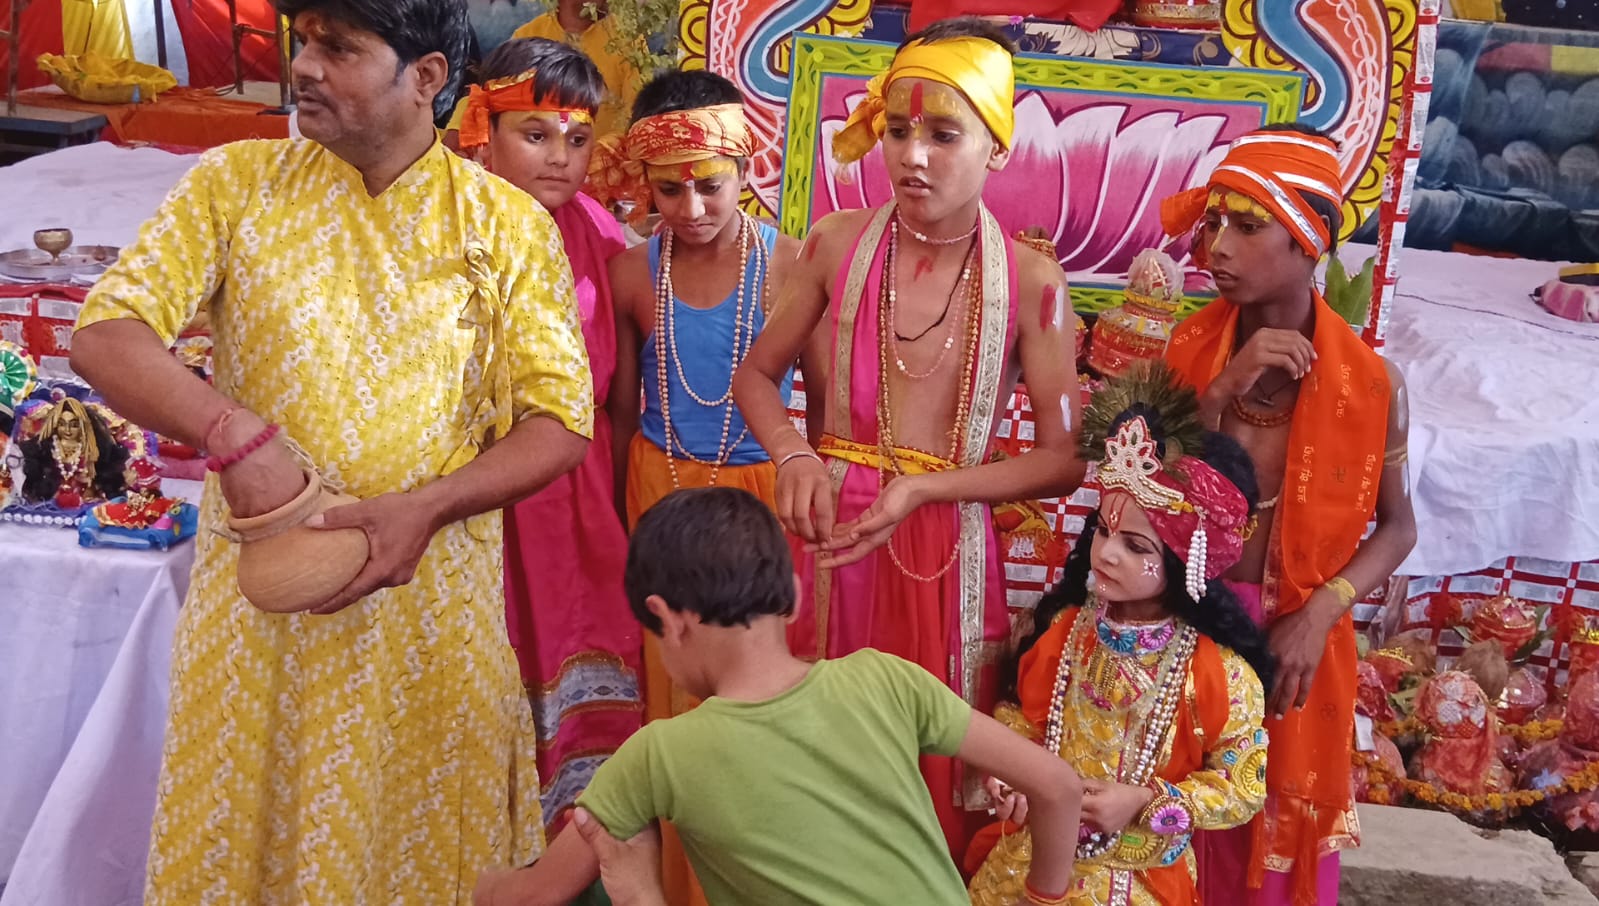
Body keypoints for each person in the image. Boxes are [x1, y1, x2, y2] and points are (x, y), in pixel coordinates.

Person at [67, 0, 595, 901]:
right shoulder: (235, 183)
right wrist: (232, 433)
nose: (305, 66)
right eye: (303, 41)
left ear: (426, 77)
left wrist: (429, 506)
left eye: (339, 48)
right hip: (262, 626)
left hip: (426, 619)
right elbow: (107, 332)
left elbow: (559, 421)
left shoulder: (505, 225)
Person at [730, 16, 1085, 855]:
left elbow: (1063, 459)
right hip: (827, 533)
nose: (911, 156)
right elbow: (755, 377)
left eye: (943, 135)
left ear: (997, 148)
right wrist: (793, 452)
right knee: (805, 745)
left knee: (928, 758)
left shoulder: (1032, 282)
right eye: (896, 131)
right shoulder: (835, 244)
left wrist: (924, 488)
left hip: (940, 544)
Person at [474, 487, 1086, 906]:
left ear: (669, 619)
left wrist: (483, 886)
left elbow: (536, 896)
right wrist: (1042, 897)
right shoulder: (886, 679)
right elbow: (1058, 786)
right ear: (792, 597)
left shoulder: (658, 755)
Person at [1159, 124, 1418, 905]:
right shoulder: (1187, 352)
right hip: (1183, 622)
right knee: (1173, 830)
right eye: (1213, 223)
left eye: (1246, 226)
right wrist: (1218, 392)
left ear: (1308, 242)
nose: (1217, 247)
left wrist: (1319, 613)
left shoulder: (1371, 384)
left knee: (1269, 847)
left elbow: (1398, 527)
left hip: (1296, 642)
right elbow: (1144, 496)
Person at [965, 364, 1272, 905]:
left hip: (1139, 881)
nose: (1106, 553)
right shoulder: (1066, 632)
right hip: (1030, 864)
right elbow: (1020, 719)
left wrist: (1145, 802)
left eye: (1136, 546)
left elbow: (1242, 787)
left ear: (1188, 560)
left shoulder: (1217, 674)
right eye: (1104, 530)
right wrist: (1011, 777)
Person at [458, 36, 643, 828]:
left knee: (576, 632)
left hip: (575, 486)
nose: (560, 158)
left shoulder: (600, 237)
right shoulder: (446, 225)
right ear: (483, 128)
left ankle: (573, 834)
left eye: (577, 138)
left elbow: (622, 390)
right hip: (473, 484)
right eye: (535, 135)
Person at [445, 0, 643, 150]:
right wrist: (457, 130)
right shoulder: (528, 36)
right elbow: (486, 96)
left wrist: (606, 155)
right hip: (536, 168)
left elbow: (638, 115)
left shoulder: (627, 41)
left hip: (604, 172)